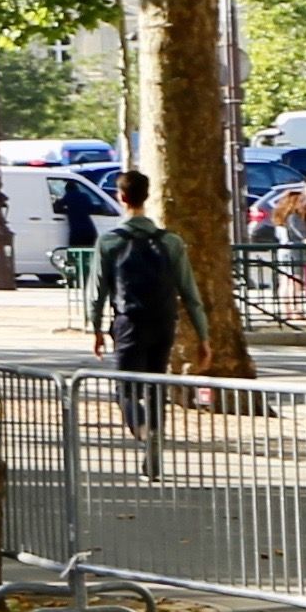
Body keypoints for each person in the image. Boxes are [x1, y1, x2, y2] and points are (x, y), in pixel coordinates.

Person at [87, 167, 191, 473]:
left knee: (126, 389)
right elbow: (190, 291)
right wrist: (204, 334)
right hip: (163, 321)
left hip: (129, 322)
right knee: (156, 384)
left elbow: (97, 291)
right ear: (148, 196)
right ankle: (155, 441)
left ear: (121, 197)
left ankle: (144, 432)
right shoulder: (170, 241)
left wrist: (95, 329)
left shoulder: (109, 242)